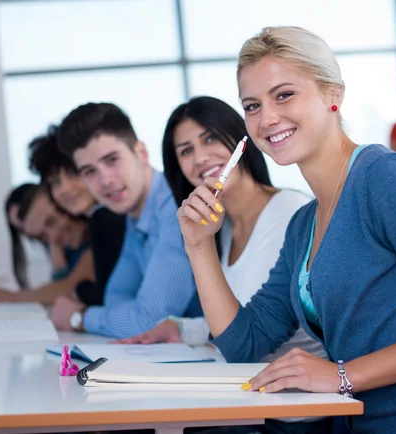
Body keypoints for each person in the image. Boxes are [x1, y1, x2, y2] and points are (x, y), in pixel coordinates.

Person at [176, 27, 396, 433]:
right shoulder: (303, 225)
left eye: (283, 95)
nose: (266, 118)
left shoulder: (384, 179)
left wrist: (341, 375)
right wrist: (198, 246)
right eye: (252, 105)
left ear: (333, 94)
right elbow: (243, 342)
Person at [114, 96, 324, 362]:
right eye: (186, 151)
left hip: (295, 390)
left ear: (240, 140)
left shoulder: (291, 212)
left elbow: (256, 330)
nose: (201, 157)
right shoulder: (219, 227)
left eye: (210, 138)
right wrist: (181, 328)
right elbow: (237, 320)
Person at [52, 102, 201, 337]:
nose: (105, 180)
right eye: (90, 171)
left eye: (112, 160)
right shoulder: (135, 215)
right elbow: (116, 298)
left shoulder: (176, 207)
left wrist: (79, 317)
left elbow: (149, 321)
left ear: (141, 153)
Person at [27, 127, 127, 306]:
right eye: (55, 182)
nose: (65, 189)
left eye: (73, 174)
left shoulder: (109, 216)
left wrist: (80, 296)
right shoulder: (98, 219)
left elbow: (107, 298)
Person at [0, 185, 95, 303]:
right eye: (42, 236)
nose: (53, 237)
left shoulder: (99, 232)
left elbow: (69, 288)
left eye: (51, 221)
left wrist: (11, 297)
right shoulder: (63, 245)